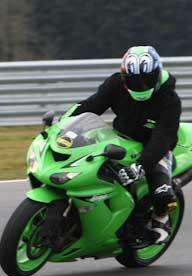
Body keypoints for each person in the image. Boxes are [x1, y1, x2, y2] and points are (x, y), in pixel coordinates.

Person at [73, 45, 181, 243]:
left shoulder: (169, 99)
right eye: (133, 81)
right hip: (119, 137)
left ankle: (161, 217)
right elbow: (91, 106)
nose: (140, 86)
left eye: (147, 80)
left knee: (162, 193)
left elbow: (163, 138)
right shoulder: (115, 84)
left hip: (153, 146)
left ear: (157, 75)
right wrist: (62, 123)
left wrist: (141, 166)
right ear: (124, 78)